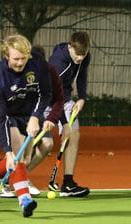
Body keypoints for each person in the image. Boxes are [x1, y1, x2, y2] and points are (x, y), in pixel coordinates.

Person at [0, 34, 52, 217]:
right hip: (7, 115)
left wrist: (35, 117)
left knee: (24, 160)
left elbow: (45, 93)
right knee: (16, 157)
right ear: (6, 56)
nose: (20, 62)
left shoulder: (37, 63)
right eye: (16, 59)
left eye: (24, 58)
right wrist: (7, 151)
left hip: (27, 113)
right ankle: (25, 200)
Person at [48, 31, 91, 197]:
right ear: (69, 47)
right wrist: (64, 123)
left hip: (64, 99)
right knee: (40, 144)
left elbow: (82, 77)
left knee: (74, 135)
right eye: (77, 54)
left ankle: (68, 183)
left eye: (83, 54)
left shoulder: (84, 57)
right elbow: (52, 96)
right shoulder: (58, 63)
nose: (80, 58)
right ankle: (3, 169)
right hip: (46, 100)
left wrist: (82, 98)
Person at [24, 45, 66, 196]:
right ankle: (0, 172)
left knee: (48, 144)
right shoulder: (22, 71)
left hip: (38, 114)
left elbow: (59, 99)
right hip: (19, 114)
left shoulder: (50, 72)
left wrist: (52, 118)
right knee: (24, 148)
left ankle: (23, 177)